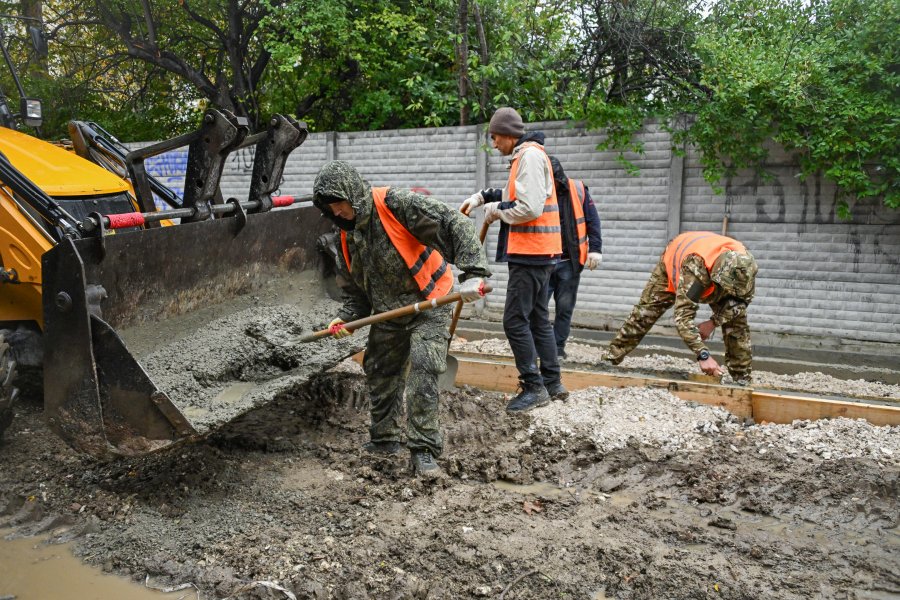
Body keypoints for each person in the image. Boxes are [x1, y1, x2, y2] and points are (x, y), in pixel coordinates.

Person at [312, 160, 491, 477]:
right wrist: (345, 318)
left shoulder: (396, 204)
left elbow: (454, 223)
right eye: (330, 208)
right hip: (388, 310)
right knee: (380, 369)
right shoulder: (345, 234)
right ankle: (384, 440)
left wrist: (474, 273)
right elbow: (355, 289)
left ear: (353, 194)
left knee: (424, 367)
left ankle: (423, 450)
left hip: (430, 300)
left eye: (339, 204)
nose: (337, 212)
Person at [460, 107, 567, 412]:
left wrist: (495, 211)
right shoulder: (525, 157)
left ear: (507, 134)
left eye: (494, 137)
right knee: (536, 318)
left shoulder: (530, 157)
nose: (493, 144)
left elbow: (529, 207)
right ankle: (552, 383)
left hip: (531, 253)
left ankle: (533, 387)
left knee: (514, 320)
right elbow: (511, 193)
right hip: (539, 252)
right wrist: (481, 197)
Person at [603, 231, 759, 385]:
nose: (728, 292)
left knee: (737, 325)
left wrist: (713, 323)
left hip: (712, 269)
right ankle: (609, 360)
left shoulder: (746, 267)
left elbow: (742, 302)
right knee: (645, 314)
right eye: (726, 288)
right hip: (676, 262)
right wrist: (703, 355)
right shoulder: (697, 269)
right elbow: (683, 317)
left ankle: (742, 379)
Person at [546, 156, 603, 360]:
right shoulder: (537, 189)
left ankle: (558, 348)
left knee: (564, 308)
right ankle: (542, 348)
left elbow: (592, 221)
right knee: (538, 308)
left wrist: (595, 249)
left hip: (568, 262)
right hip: (543, 262)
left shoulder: (577, 190)